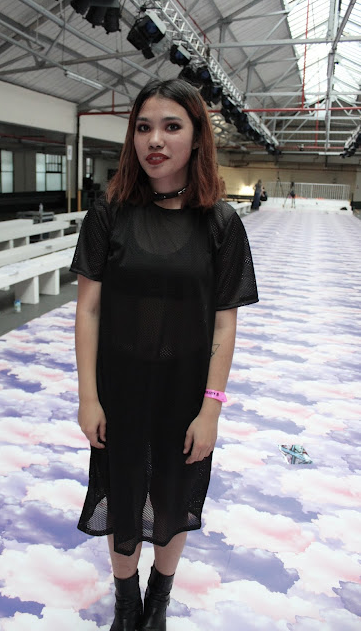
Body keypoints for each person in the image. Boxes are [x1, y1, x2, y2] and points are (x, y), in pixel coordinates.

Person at [70, 78, 259, 631]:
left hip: (185, 393)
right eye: (144, 127)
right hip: (121, 388)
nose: (154, 140)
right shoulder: (109, 214)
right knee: (123, 494)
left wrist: (211, 408)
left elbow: (224, 321)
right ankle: (126, 602)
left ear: (197, 138)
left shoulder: (221, 224)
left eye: (171, 127)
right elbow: (88, 310)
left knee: (174, 499)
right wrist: (88, 397)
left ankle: (159, 598)